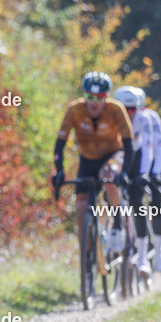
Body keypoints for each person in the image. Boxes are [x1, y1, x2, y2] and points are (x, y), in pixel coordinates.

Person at [52, 72, 135, 252]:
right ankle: (87, 260)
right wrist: (59, 171)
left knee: (107, 176)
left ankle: (117, 224)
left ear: (107, 97)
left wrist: (124, 172)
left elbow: (129, 144)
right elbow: (60, 144)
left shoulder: (116, 109)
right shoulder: (75, 110)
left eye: (100, 97)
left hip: (113, 155)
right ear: (84, 95)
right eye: (90, 97)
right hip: (87, 160)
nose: (94, 102)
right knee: (81, 211)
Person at [129, 87, 161, 273]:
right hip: (135, 162)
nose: (129, 113)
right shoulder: (117, 118)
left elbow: (157, 149)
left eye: (132, 109)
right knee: (135, 202)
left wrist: (152, 174)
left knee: (156, 204)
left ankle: (159, 251)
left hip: (154, 164)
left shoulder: (150, 118)